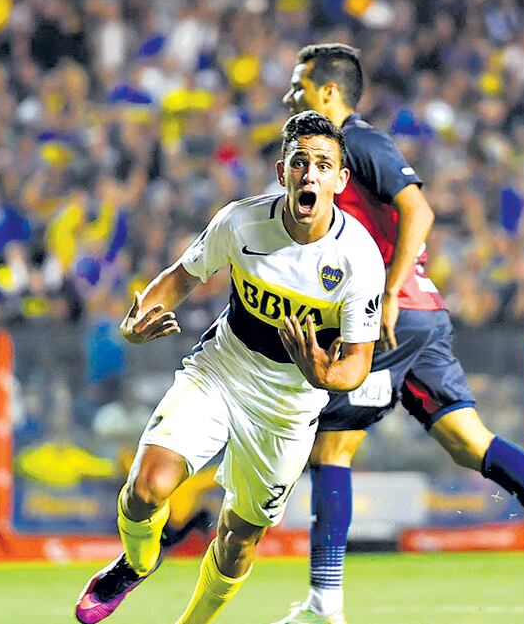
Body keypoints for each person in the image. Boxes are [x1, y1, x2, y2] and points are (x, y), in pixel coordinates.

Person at [275, 43, 524, 623]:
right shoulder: (333, 158)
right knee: (469, 441)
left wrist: (385, 293)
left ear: (329, 93)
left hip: (394, 315)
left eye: (299, 86)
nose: (290, 96)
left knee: (331, 446)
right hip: (420, 315)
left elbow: (420, 211)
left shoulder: (358, 142)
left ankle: (323, 607)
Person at [74, 111, 385, 624]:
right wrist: (136, 321)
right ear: (283, 169)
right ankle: (136, 563)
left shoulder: (359, 260)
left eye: (323, 165)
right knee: (145, 488)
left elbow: (357, 364)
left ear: (340, 180)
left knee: (238, 541)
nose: (310, 174)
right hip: (222, 370)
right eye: (301, 163)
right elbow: (180, 276)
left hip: (289, 406)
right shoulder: (241, 221)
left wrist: (322, 376)